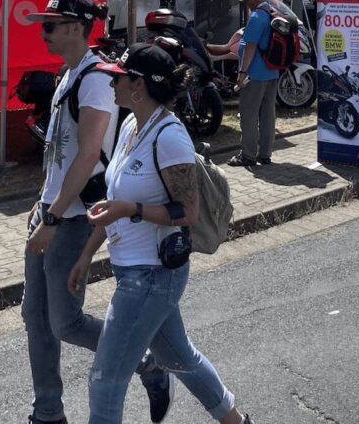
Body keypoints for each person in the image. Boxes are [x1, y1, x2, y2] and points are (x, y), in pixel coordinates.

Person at [68, 43, 252, 424]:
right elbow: (115, 198)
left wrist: (130, 210)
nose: (111, 84)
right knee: (179, 358)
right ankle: (236, 421)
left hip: (152, 277)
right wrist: (87, 254)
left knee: (106, 378)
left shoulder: (169, 137)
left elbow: (188, 213)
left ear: (139, 86)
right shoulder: (132, 125)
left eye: (118, 78)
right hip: (134, 271)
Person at [22, 0, 172, 424]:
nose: (43, 31)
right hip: (49, 211)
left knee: (64, 324)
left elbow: (89, 154)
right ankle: (47, 412)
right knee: (36, 319)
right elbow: (61, 153)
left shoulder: (93, 79)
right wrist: (41, 202)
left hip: (68, 221)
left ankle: (146, 361)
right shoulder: (68, 74)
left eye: (50, 24)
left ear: (74, 27)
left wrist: (52, 217)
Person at [227, 0, 280, 167]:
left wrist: (242, 73)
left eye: (247, 0)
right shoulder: (273, 11)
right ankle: (265, 155)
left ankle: (248, 155)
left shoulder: (257, 16)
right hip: (271, 72)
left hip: (255, 74)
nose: (246, 4)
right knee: (267, 115)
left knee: (249, 114)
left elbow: (250, 46)